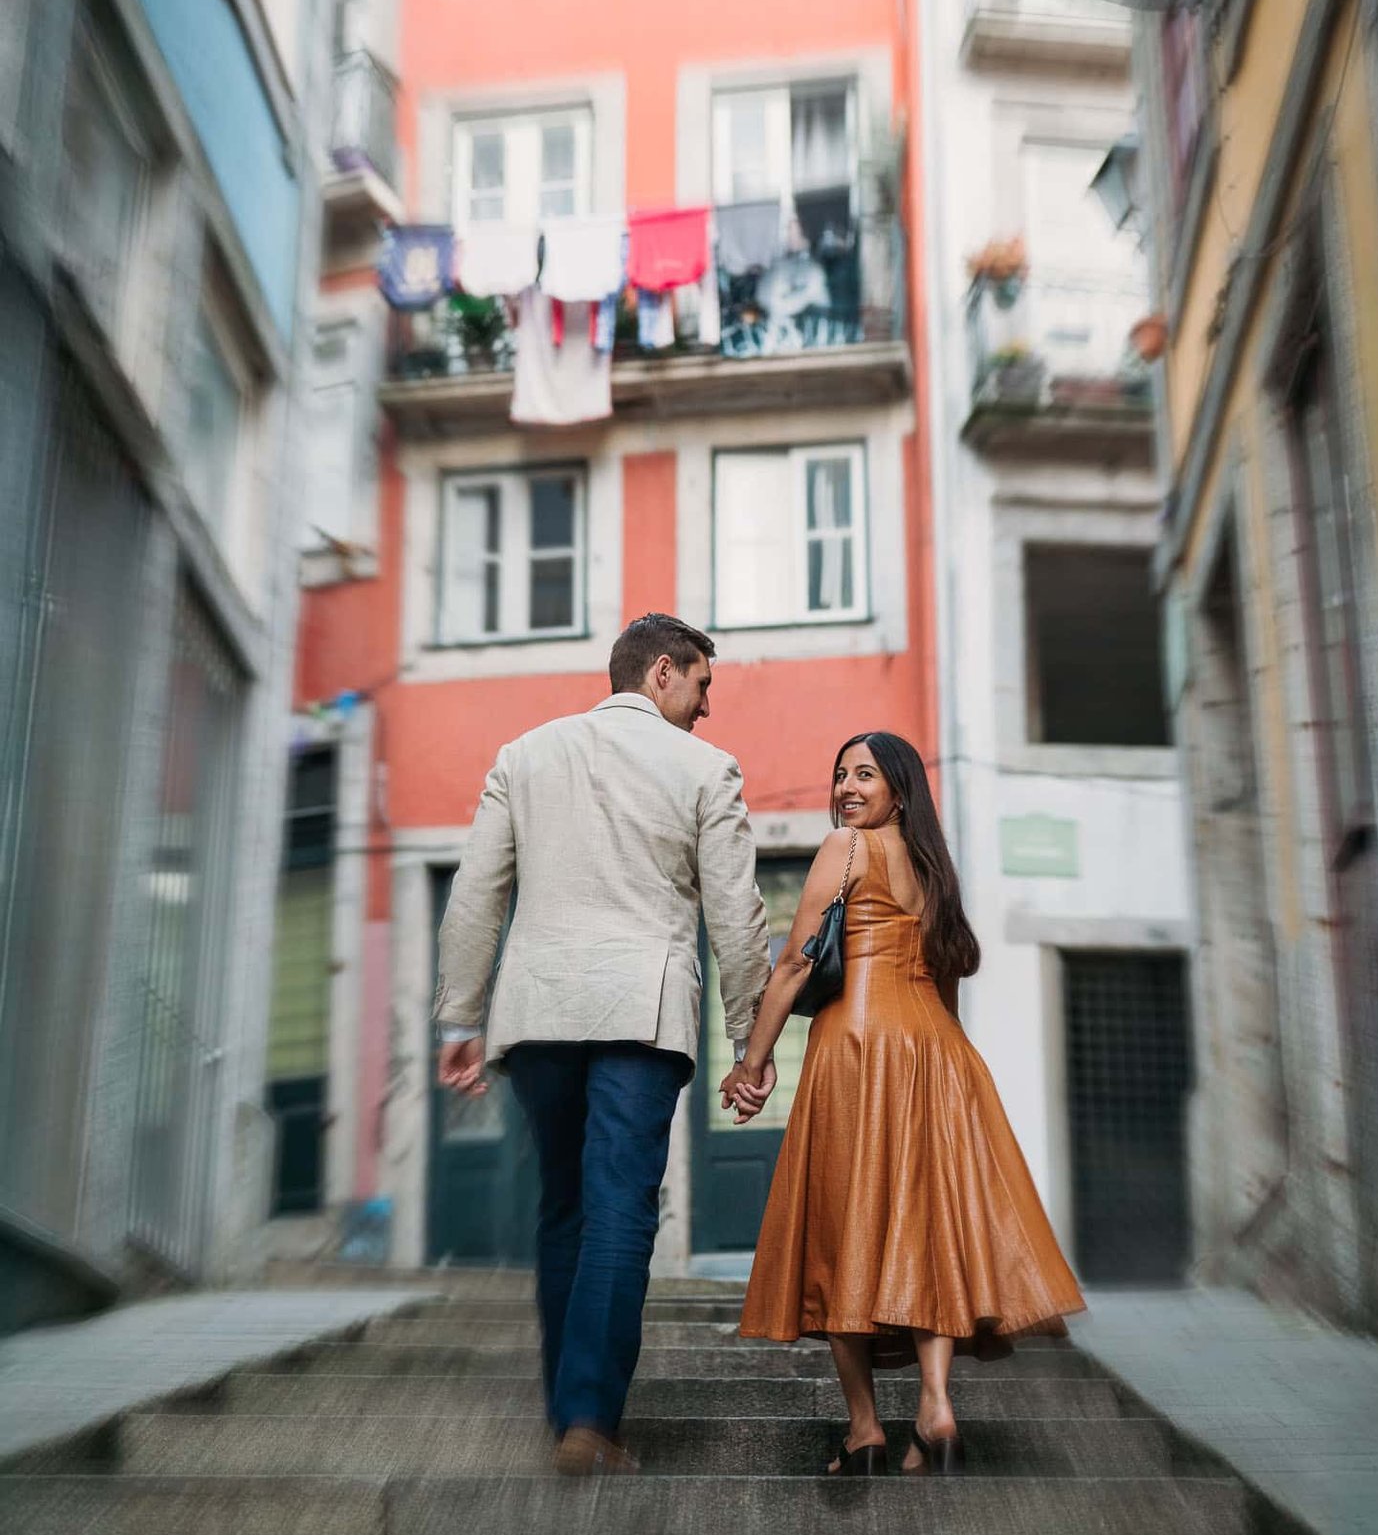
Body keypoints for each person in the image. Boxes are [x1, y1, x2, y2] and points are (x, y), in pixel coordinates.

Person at [435, 614, 773, 1476]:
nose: (705, 709)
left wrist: (460, 1019)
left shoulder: (525, 754)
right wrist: (751, 1041)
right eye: (701, 686)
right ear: (663, 672)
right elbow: (737, 917)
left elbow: (477, 891)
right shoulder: (707, 770)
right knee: (622, 1207)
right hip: (640, 1010)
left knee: (565, 1209)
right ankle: (589, 1418)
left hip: (539, 1010)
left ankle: (570, 1415)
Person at [730, 731, 1085, 1476]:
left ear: (898, 787)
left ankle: (864, 1429)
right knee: (927, 1228)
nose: (847, 788)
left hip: (858, 1050)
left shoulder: (845, 849)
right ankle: (935, 1406)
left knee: (842, 1226)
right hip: (938, 1054)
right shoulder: (934, 870)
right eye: (839, 775)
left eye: (864, 774)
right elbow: (947, 987)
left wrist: (753, 1059)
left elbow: (795, 961)